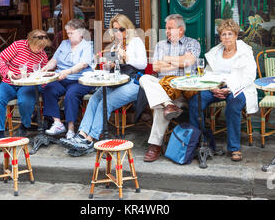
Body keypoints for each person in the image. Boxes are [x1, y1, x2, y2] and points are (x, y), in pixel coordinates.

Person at [67, 13, 147, 156]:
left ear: (128, 28)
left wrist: (126, 57)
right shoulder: (115, 45)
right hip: (118, 81)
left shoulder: (135, 42)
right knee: (94, 98)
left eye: (121, 29)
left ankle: (90, 139)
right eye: (115, 30)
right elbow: (115, 67)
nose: (118, 33)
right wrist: (110, 64)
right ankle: (82, 134)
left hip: (134, 83)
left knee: (106, 102)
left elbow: (143, 64)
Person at [188, 19, 258, 162]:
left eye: (230, 34)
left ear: (236, 35)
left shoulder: (245, 52)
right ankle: (202, 140)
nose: (226, 37)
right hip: (216, 87)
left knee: (232, 106)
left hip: (237, 88)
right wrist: (213, 87)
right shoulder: (216, 52)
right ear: (220, 37)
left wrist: (230, 89)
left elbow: (249, 76)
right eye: (223, 34)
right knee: (195, 102)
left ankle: (234, 148)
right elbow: (207, 73)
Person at [139, 14, 201, 162]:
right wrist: (178, 62)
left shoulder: (193, 44)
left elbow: (188, 61)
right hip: (162, 88)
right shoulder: (161, 45)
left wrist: (167, 60)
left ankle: (155, 146)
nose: (166, 31)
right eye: (166, 28)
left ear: (180, 30)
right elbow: (155, 66)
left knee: (159, 106)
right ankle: (169, 105)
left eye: (170, 28)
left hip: (183, 90)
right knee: (144, 78)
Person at [0, 29, 50, 139]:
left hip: (28, 85)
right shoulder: (18, 46)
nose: (41, 50)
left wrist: (41, 82)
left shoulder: (42, 55)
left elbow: (44, 74)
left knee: (25, 101)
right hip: (9, 82)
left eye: (43, 47)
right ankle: (0, 133)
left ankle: (24, 125)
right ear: (30, 42)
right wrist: (7, 72)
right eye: (38, 47)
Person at [42, 19, 94, 141]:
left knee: (71, 94)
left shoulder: (87, 45)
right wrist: (45, 68)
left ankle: (70, 129)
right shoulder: (64, 44)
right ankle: (57, 123)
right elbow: (54, 60)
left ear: (81, 32)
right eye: (68, 33)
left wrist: (68, 71)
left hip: (80, 80)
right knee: (48, 88)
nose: (69, 35)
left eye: (72, 33)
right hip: (62, 78)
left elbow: (83, 64)